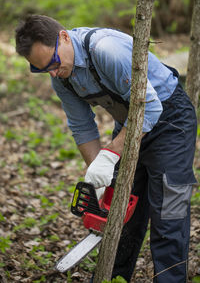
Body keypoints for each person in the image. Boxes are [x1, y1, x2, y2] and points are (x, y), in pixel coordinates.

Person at [15, 15, 197, 283]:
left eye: (53, 63)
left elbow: (150, 106)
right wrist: (97, 171)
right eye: (42, 69)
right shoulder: (61, 77)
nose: (52, 73)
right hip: (130, 125)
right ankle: (113, 278)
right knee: (120, 213)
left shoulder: (105, 50)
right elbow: (82, 126)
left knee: (169, 213)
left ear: (64, 37)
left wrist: (111, 153)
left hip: (171, 120)